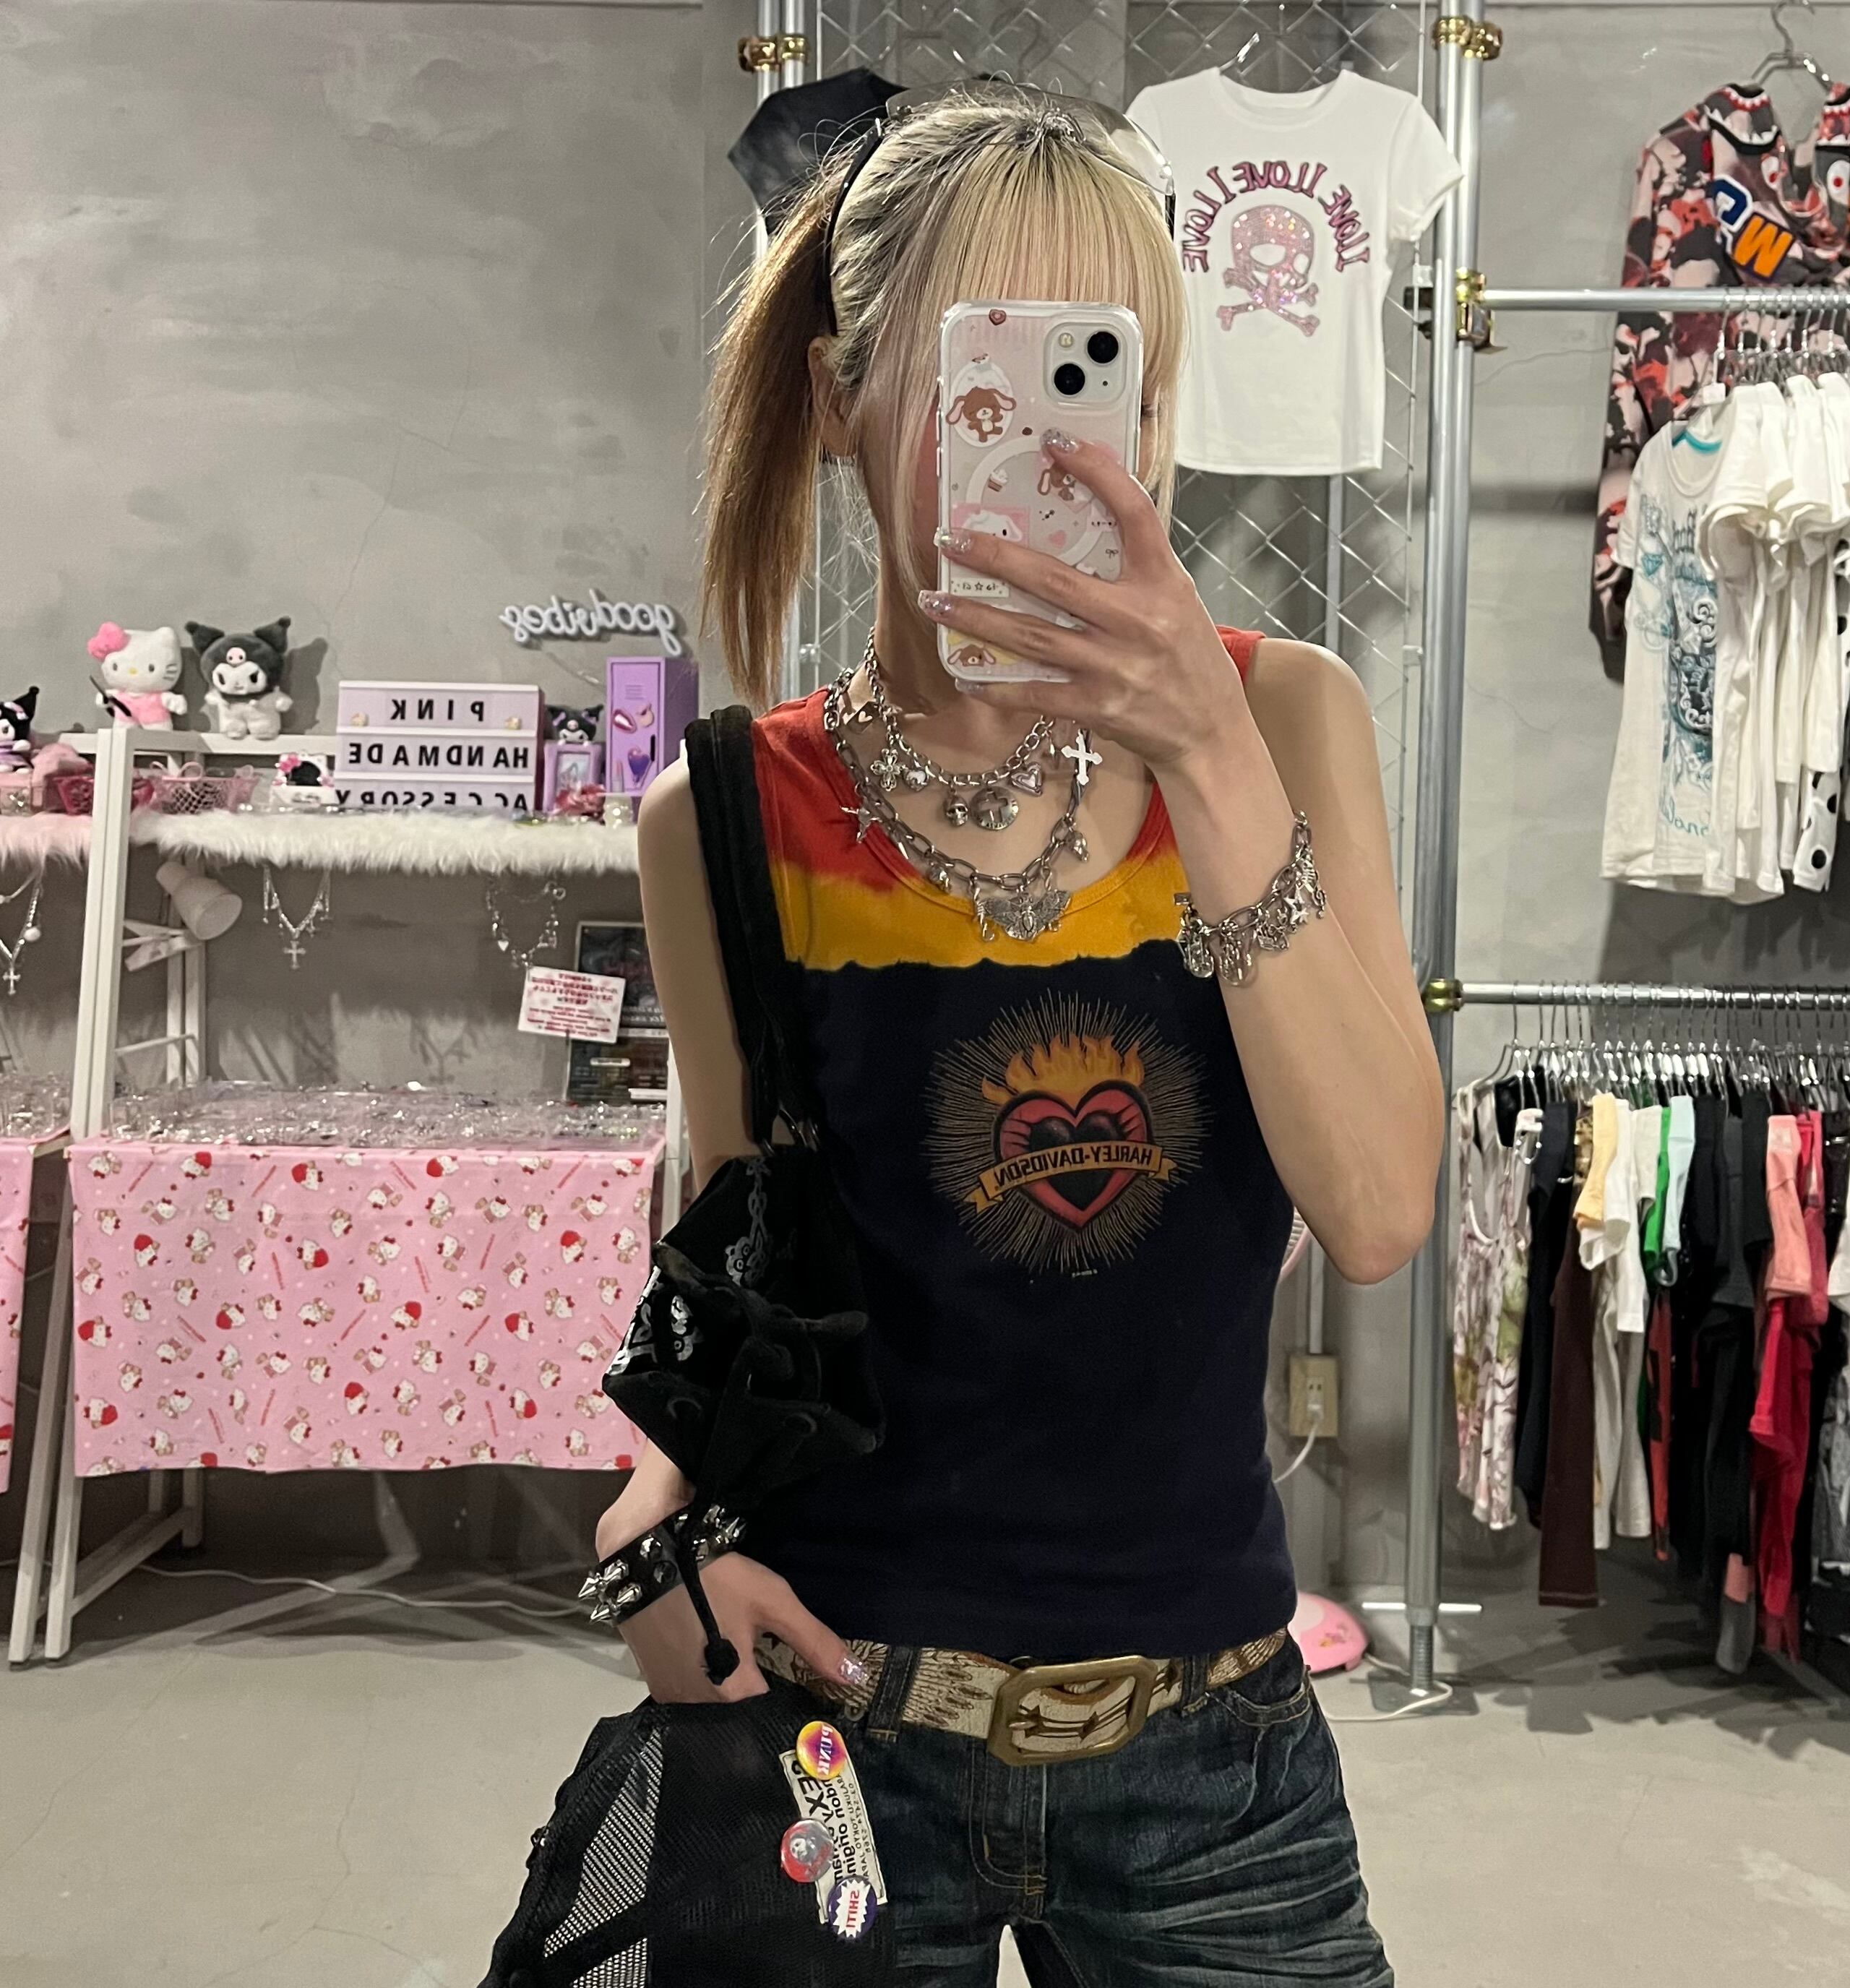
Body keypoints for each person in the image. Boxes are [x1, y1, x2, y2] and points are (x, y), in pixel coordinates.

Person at [608, 87, 1443, 1986]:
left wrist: (1204, 752)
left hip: (1213, 1753)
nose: (1066, 448)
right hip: (837, 1722)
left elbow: (1382, 1207)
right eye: (994, 377)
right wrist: (667, 1524)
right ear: (842, 399)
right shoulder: (723, 814)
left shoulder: (1284, 723)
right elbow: (735, 1255)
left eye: (1107, 377)